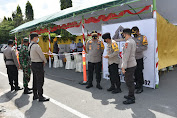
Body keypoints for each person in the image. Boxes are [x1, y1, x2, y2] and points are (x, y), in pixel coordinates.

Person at [29, 32, 50, 102]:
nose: (38, 39)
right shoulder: (36, 46)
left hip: (33, 64)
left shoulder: (30, 45)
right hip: (38, 64)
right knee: (40, 80)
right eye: (37, 38)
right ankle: (40, 96)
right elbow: (41, 55)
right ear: (35, 38)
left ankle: (35, 95)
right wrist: (45, 61)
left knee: (35, 80)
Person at [121, 28, 137, 104]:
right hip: (132, 64)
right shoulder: (132, 41)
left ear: (126, 34)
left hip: (129, 65)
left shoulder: (128, 42)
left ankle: (131, 98)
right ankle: (130, 95)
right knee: (130, 81)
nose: (123, 35)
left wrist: (123, 67)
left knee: (129, 82)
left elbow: (126, 56)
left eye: (123, 34)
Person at [131, 26, 148, 94]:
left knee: (139, 72)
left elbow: (145, 47)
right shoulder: (132, 38)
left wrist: (137, 49)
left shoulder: (143, 37)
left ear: (138, 31)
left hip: (139, 58)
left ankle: (140, 87)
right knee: (134, 72)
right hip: (133, 58)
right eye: (133, 33)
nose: (134, 35)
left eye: (135, 33)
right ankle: (137, 85)